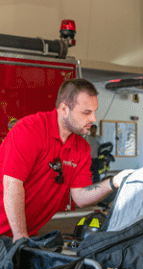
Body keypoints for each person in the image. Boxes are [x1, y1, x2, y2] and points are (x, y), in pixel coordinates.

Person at [0, 78, 132, 242]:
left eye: (94, 111)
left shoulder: (81, 148)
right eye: (86, 112)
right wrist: (20, 235)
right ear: (64, 109)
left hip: (23, 235)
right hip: (14, 234)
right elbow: (12, 184)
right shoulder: (29, 130)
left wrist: (115, 181)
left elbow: (80, 197)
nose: (93, 118)